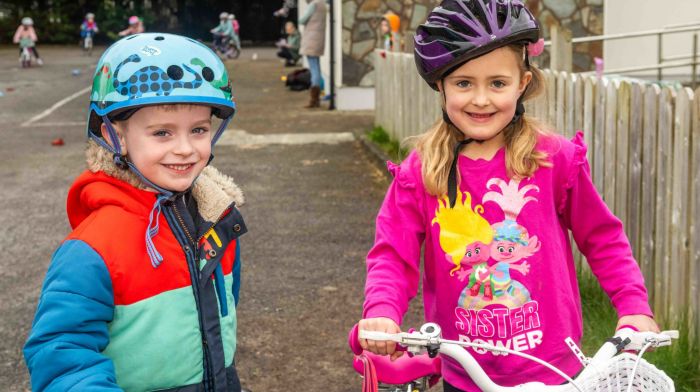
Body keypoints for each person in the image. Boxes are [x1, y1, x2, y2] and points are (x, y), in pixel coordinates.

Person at [357, 1, 659, 392]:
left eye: (497, 83)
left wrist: (633, 306)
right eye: (464, 83)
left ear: (523, 84)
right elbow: (392, 256)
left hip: (556, 370)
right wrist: (382, 311)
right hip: (465, 373)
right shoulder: (421, 172)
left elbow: (602, 239)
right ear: (440, 85)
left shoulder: (555, 160)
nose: (480, 100)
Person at [23, 33, 247, 391]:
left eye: (199, 129)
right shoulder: (92, 249)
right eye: (162, 132)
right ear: (116, 135)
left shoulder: (218, 220)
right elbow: (63, 356)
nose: (186, 149)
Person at [299, 0, 326, 108]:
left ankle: (314, 99)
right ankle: (317, 97)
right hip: (319, 39)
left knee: (314, 69)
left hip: (311, 40)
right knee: (317, 68)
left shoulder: (313, 4)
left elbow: (302, 20)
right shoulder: (323, 4)